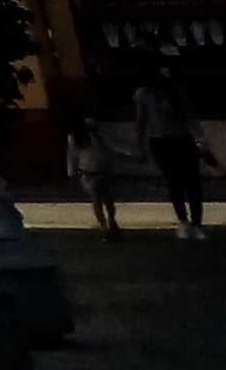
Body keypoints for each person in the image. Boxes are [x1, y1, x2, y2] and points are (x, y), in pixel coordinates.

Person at [134, 68, 207, 241]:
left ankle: (196, 224)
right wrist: (140, 146)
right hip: (161, 142)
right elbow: (140, 121)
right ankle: (184, 221)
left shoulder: (177, 93)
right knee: (175, 182)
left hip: (181, 139)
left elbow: (190, 117)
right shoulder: (143, 95)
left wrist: (201, 140)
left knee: (192, 183)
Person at [66, 113, 120, 237]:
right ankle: (105, 226)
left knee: (107, 199)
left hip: (100, 171)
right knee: (99, 199)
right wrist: (72, 172)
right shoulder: (76, 139)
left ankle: (110, 223)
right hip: (89, 173)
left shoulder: (98, 138)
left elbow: (109, 151)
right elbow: (72, 156)